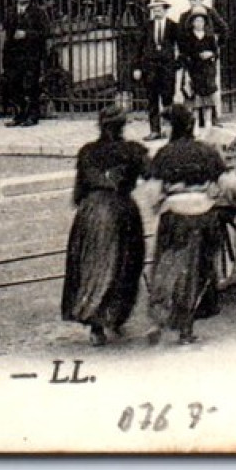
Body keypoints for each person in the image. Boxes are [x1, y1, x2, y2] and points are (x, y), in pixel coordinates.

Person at [145, 104, 236, 345]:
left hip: (174, 215)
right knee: (197, 272)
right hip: (202, 214)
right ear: (192, 126)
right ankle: (186, 330)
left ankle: (159, 317)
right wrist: (234, 200)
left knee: (168, 267)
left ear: (172, 128)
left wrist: (159, 206)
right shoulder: (206, 152)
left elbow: (153, 193)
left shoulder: (163, 154)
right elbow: (231, 186)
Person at [61, 104, 151, 346]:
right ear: (123, 126)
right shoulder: (133, 150)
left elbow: (78, 192)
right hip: (120, 210)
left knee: (92, 265)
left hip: (90, 212)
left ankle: (96, 325)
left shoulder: (87, 152)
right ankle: (115, 315)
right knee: (126, 263)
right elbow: (152, 174)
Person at [0, 0, 51, 128]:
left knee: (31, 86)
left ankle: (33, 115)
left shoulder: (38, 12)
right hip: (13, 55)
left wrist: (27, 34)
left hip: (31, 55)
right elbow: (6, 33)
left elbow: (45, 32)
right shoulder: (10, 12)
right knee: (14, 85)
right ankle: (19, 114)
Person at [133, 0, 179, 140]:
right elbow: (138, 48)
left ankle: (169, 130)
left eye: (159, 9)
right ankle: (155, 130)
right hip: (150, 68)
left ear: (165, 10)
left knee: (167, 99)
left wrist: (176, 65)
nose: (157, 12)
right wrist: (137, 67)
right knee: (152, 100)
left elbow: (182, 46)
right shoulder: (147, 26)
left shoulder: (173, 26)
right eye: (154, 10)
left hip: (167, 68)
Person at [175, 12, 220, 128]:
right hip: (194, 70)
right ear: (192, 23)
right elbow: (184, 53)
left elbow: (216, 52)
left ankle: (208, 122)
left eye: (201, 21)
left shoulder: (209, 37)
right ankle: (195, 124)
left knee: (208, 98)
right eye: (196, 21)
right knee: (194, 98)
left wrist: (210, 54)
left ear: (204, 23)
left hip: (207, 71)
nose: (199, 24)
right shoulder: (188, 37)